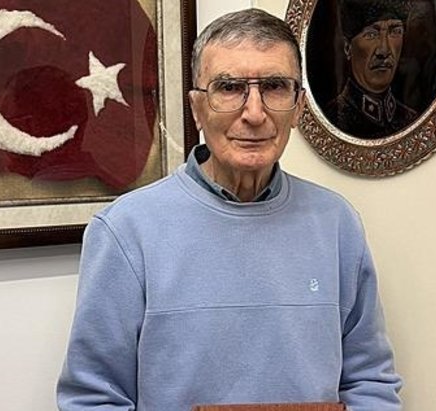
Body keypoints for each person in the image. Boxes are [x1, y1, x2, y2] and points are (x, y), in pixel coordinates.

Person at [57, 8, 402, 411]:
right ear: (197, 108)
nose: (254, 113)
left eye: (274, 86)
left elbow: (370, 381)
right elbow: (93, 398)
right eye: (229, 88)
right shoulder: (126, 230)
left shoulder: (337, 224)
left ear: (298, 107)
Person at [324, 0, 417, 139]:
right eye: (371, 34)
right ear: (347, 47)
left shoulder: (412, 121)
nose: (384, 51)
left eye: (395, 32)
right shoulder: (331, 121)